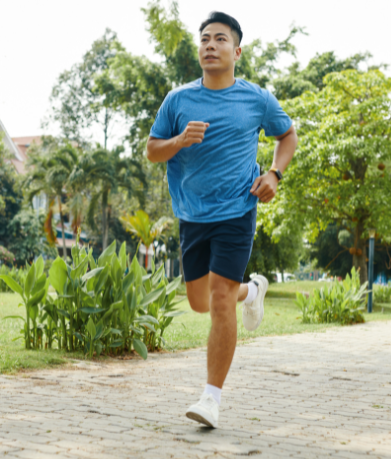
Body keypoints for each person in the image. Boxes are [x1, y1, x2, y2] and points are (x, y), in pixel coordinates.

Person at [146, 11, 298, 428]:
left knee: (217, 298)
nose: (210, 45)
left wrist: (274, 173)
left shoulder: (256, 99)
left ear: (237, 50)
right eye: (205, 39)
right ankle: (251, 292)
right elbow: (152, 150)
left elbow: (287, 136)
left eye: (220, 39)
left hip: (237, 210)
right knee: (198, 301)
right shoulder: (177, 101)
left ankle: (211, 399)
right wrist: (178, 140)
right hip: (192, 213)